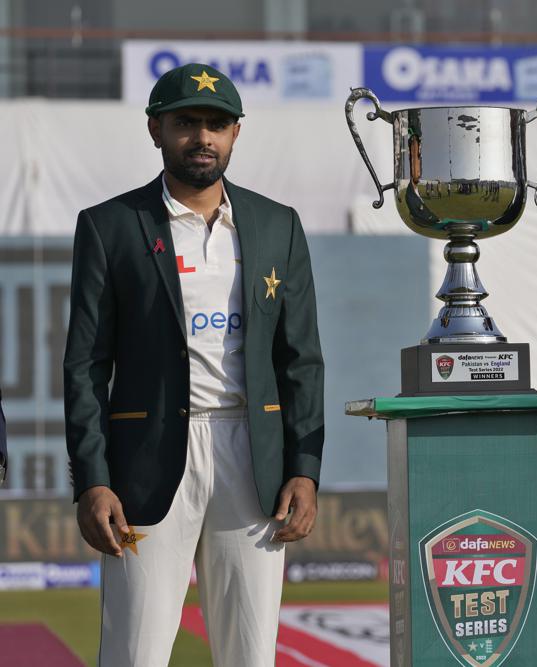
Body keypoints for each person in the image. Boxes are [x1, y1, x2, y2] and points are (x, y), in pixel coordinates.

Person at [64, 63, 324, 667]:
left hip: (252, 456)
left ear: (237, 133)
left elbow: (301, 358)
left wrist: (304, 469)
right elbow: (84, 365)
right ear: (156, 129)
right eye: (186, 122)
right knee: (135, 652)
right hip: (147, 460)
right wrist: (93, 478)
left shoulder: (277, 223)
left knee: (250, 653)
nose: (202, 137)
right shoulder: (109, 226)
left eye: (216, 123)